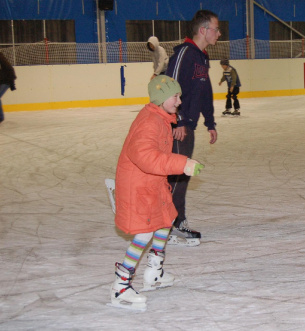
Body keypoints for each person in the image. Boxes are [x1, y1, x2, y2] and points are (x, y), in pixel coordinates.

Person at [109, 75, 205, 311]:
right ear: (161, 98)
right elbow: (145, 157)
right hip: (138, 186)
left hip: (151, 183)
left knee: (167, 218)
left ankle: (154, 273)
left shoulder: (160, 117)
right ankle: (120, 286)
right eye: (175, 96)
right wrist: (181, 164)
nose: (179, 101)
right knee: (144, 233)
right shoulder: (150, 122)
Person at [165, 9, 219, 246]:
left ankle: (171, 222)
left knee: (181, 175)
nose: (219, 33)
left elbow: (205, 91)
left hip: (189, 125)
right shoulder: (184, 54)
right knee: (176, 176)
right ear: (202, 30)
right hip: (178, 126)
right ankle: (172, 224)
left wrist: (209, 121)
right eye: (215, 29)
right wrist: (175, 120)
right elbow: (169, 86)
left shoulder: (202, 57)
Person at [0, 52, 17, 123]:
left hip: (6, 81)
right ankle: (1, 117)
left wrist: (12, 83)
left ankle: (1, 117)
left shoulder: (2, 60)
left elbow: (10, 70)